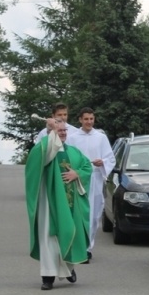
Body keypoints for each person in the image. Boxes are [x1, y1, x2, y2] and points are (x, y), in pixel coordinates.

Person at [25, 118, 92, 289]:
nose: (62, 133)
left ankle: (69, 269)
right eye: (58, 130)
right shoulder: (44, 150)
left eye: (64, 130)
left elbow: (87, 167)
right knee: (49, 237)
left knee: (69, 232)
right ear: (50, 134)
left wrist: (77, 174)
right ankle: (47, 277)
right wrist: (51, 130)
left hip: (70, 203)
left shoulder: (74, 152)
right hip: (48, 203)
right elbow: (44, 154)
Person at [65, 107, 115, 259]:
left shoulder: (100, 137)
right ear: (80, 120)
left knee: (93, 214)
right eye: (86, 119)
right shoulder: (72, 138)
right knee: (79, 213)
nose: (89, 122)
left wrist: (103, 162)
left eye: (91, 119)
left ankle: (88, 247)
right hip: (78, 179)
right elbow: (67, 157)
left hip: (95, 178)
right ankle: (77, 246)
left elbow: (110, 158)